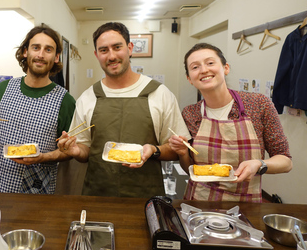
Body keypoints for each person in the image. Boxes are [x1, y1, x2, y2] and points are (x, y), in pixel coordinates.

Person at [57, 22, 190, 198]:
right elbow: (85, 150)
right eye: (104, 50)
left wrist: (153, 150)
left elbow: (177, 149)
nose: (111, 56)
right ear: (97, 55)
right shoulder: (87, 98)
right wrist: (75, 151)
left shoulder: (160, 94)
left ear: (130, 48)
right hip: (97, 194)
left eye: (117, 47)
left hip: (146, 197)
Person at [169, 43, 292, 202]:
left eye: (210, 63)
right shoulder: (190, 113)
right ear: (189, 79)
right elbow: (190, 169)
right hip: (199, 202)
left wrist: (259, 164)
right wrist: (183, 152)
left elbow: (285, 161)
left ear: (225, 68)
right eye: (195, 67)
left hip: (246, 205)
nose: (204, 70)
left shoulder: (258, 104)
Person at [0, 24, 76, 194]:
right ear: (25, 52)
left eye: (48, 49)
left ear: (56, 57)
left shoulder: (65, 100)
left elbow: (68, 151)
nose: (40, 55)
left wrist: (44, 157)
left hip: (39, 189)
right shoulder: (3, 89)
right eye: (35, 48)